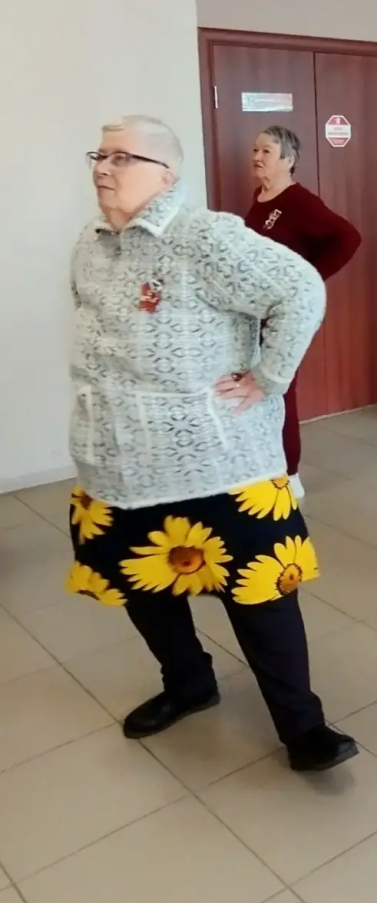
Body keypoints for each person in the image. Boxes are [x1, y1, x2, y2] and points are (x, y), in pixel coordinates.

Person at [67, 115, 357, 773]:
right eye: (99, 155)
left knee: (259, 595)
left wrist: (268, 377)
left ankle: (303, 727)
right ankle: (188, 683)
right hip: (119, 460)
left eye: (122, 157)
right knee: (145, 584)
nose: (103, 168)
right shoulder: (91, 242)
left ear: (166, 174)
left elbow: (300, 288)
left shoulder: (204, 236)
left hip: (220, 461)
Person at [244, 126, 361, 496]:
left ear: (288, 160)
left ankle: (290, 474)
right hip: (257, 312)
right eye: (255, 150)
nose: (257, 157)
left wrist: (307, 281)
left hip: (284, 315)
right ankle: (264, 463)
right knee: (258, 387)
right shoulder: (261, 197)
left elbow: (348, 238)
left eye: (266, 151)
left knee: (280, 387)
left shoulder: (299, 201)